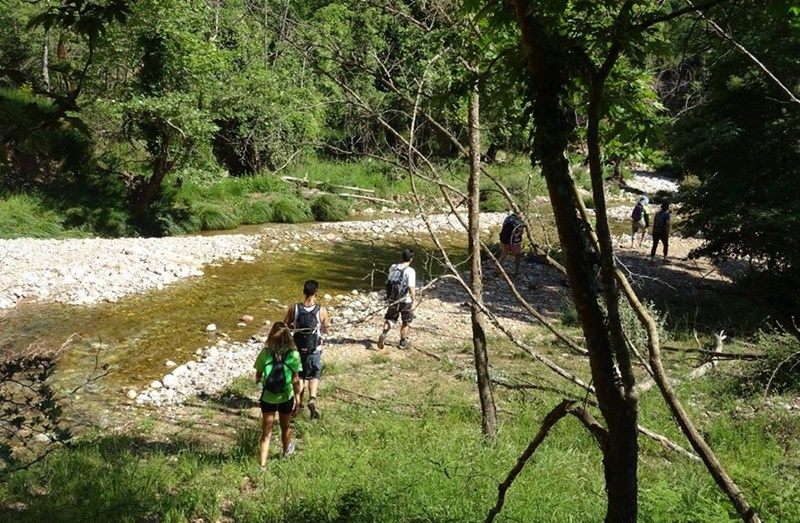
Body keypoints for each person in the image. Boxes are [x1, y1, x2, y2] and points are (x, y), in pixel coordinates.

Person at [254, 322, 302, 469]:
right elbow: (295, 380)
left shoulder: (265, 353)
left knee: (266, 430)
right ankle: (286, 453)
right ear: (289, 337)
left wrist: (262, 383)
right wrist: (298, 399)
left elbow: (258, 376)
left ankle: (262, 465)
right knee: (285, 426)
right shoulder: (293, 355)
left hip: (268, 397)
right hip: (286, 396)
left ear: (271, 335)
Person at [284, 280, 329, 420]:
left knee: (300, 376)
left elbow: (285, 325)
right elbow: (326, 330)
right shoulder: (321, 310)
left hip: (298, 349)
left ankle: (298, 404)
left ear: (304, 292)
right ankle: (312, 399)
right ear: (316, 293)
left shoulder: (294, 309)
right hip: (314, 349)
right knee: (314, 376)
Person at [377, 248, 416, 350]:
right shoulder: (410, 271)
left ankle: (384, 333)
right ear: (411, 259)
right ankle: (402, 342)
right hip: (405, 300)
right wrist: (414, 301)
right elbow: (411, 287)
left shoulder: (393, 267)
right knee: (405, 322)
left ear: (401, 257)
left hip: (393, 299)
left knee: (390, 319)